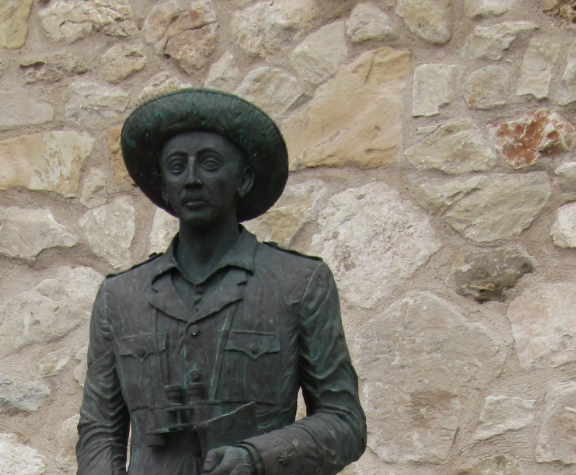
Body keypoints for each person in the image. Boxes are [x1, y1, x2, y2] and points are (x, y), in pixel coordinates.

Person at [76, 88, 365, 475]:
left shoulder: (300, 283)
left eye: (209, 164)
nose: (191, 179)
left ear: (243, 179)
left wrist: (256, 457)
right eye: (177, 167)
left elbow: (344, 422)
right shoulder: (120, 296)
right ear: (164, 186)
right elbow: (99, 429)